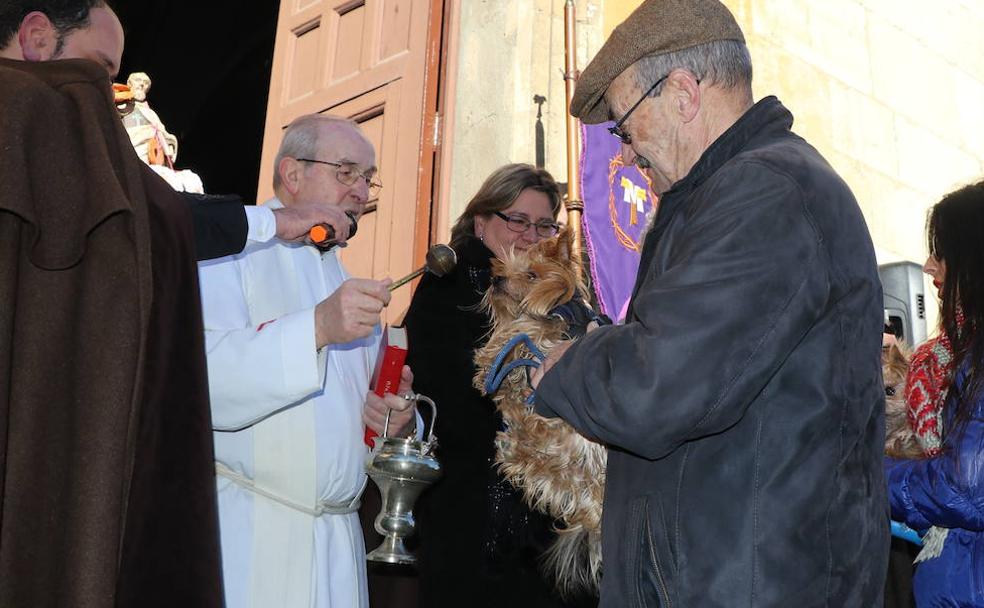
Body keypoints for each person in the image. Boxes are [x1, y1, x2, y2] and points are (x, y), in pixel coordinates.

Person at [530, 1, 887, 605]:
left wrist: (569, 363)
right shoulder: (736, 193)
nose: (624, 153)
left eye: (623, 125)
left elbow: (656, 386)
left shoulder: (764, 193)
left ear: (682, 93)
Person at [198, 114, 415, 608]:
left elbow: (353, 427)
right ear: (292, 174)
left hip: (337, 546)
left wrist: (391, 423)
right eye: (346, 172)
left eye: (368, 177)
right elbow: (202, 386)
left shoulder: (343, 277)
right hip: (251, 535)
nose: (361, 190)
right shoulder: (227, 256)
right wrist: (316, 328)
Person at [0, 0, 352, 261]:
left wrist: (275, 221)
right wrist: (275, 221)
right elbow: (141, 218)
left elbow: (148, 217)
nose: (107, 93)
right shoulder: (32, 121)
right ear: (38, 39)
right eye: (98, 68)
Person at [404, 164, 595, 607]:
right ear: (481, 222)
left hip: (548, 512)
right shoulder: (447, 286)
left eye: (545, 224)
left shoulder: (567, 299)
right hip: (466, 507)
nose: (531, 235)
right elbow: (443, 395)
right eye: (518, 221)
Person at [885, 181, 984, 606]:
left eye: (941, 251)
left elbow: (964, 489)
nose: (928, 266)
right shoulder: (959, 351)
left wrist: (866, 474)